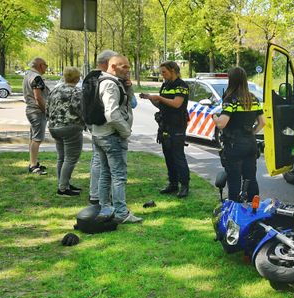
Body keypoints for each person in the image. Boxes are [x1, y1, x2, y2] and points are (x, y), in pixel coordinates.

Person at [93, 54, 142, 224]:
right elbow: (112, 114)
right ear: (113, 67)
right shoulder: (110, 84)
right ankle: (121, 213)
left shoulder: (104, 80)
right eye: (125, 67)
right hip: (111, 136)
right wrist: (126, 131)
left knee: (106, 173)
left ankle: (105, 207)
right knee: (118, 176)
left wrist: (128, 87)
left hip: (100, 134)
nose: (128, 70)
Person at [212, 67, 265, 201]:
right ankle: (254, 209)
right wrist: (251, 132)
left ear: (232, 80)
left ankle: (234, 210)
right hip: (251, 144)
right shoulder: (253, 99)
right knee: (251, 179)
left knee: (234, 180)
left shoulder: (231, 100)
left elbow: (222, 124)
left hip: (234, 145)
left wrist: (215, 117)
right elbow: (262, 122)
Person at [140, 61, 190, 198]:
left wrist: (159, 97)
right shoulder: (165, 85)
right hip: (165, 125)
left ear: (173, 70)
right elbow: (161, 105)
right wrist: (151, 98)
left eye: (164, 72)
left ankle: (184, 185)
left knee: (178, 156)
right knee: (168, 156)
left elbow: (177, 104)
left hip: (177, 126)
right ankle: (173, 184)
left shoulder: (182, 86)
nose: (162, 75)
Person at [46, 67, 84, 196]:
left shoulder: (55, 90)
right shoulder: (77, 92)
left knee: (61, 157)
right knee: (71, 158)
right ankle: (63, 188)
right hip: (71, 127)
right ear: (77, 78)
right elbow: (81, 110)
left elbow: (47, 108)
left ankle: (63, 183)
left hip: (54, 127)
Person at [23, 57, 51, 175]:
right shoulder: (37, 77)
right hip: (37, 111)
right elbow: (38, 97)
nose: (46, 67)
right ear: (40, 65)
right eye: (46, 65)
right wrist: (46, 111)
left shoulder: (28, 74)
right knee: (37, 139)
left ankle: (32, 162)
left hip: (30, 110)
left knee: (33, 138)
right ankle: (34, 166)